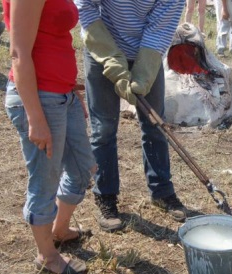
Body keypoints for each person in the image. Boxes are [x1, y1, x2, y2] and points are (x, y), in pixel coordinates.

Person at [74, 0, 188, 232]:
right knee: (103, 128)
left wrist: (144, 71)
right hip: (102, 46)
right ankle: (105, 195)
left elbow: (162, 24)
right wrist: (111, 59)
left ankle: (162, 190)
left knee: (155, 123)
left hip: (147, 52)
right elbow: (85, 6)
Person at [2, 0, 97, 274]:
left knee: (82, 167)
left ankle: (59, 229)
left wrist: (70, 91)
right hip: (40, 98)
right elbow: (18, 53)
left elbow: (55, 38)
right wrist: (35, 117)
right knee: (45, 179)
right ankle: (46, 254)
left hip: (61, 95)